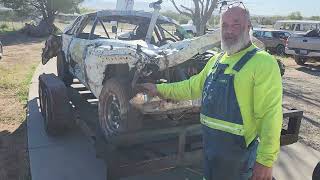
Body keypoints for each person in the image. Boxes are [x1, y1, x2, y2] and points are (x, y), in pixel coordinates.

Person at [138, 2, 282, 180]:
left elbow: (270, 114)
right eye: (224, 25)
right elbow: (191, 87)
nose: (229, 30)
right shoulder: (216, 60)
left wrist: (266, 161)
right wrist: (159, 89)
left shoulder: (263, 62)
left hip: (239, 157)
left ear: (248, 27)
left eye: (236, 24)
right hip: (211, 150)